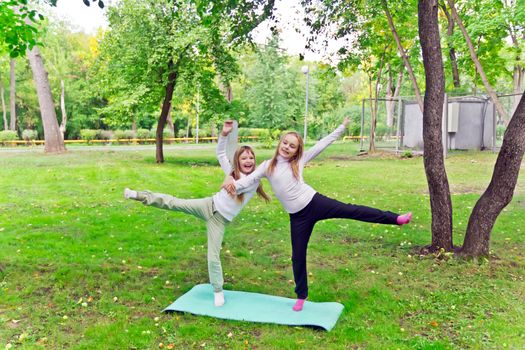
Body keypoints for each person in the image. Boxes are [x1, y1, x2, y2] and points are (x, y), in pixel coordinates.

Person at [222, 117, 412, 311]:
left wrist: (342, 126)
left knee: (352, 210)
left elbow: (323, 143)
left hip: (315, 203)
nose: (287, 147)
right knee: (297, 256)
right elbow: (249, 180)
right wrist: (233, 185)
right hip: (297, 217)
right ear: (280, 143)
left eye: (292, 146)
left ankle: (395, 218)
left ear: (297, 151)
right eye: (285, 143)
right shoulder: (267, 166)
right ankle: (301, 295)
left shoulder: (300, 161)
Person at [124, 120, 270, 307]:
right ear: (238, 161)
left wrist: (229, 179)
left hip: (219, 220)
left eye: (251, 158)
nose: (248, 161)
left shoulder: (254, 180)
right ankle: (138, 195)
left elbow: (241, 187)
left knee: (213, 255)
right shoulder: (232, 171)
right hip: (208, 205)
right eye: (244, 158)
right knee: (174, 203)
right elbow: (220, 153)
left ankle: (218, 291)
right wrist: (224, 134)